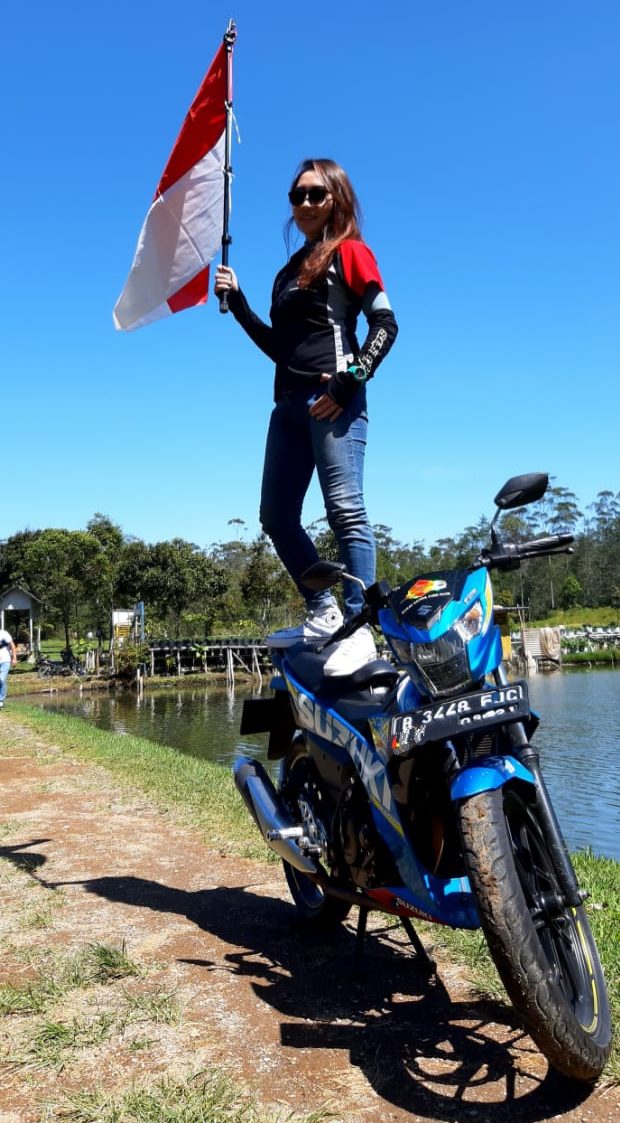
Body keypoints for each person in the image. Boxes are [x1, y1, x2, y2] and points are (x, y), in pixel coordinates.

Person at [215, 158, 398, 675]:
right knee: (276, 517)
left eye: (316, 193)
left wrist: (349, 381)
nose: (305, 203)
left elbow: (385, 324)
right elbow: (282, 348)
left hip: (332, 401)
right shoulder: (287, 272)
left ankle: (360, 628)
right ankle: (324, 612)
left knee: (345, 511)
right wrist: (240, 304)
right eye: (297, 195)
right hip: (287, 408)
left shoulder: (351, 252)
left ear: (337, 197)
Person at [0, 626, 17, 709]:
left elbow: (12, 646)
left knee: (2, 679)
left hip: (5, 660)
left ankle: (1, 700)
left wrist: (14, 658)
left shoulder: (4, 634)